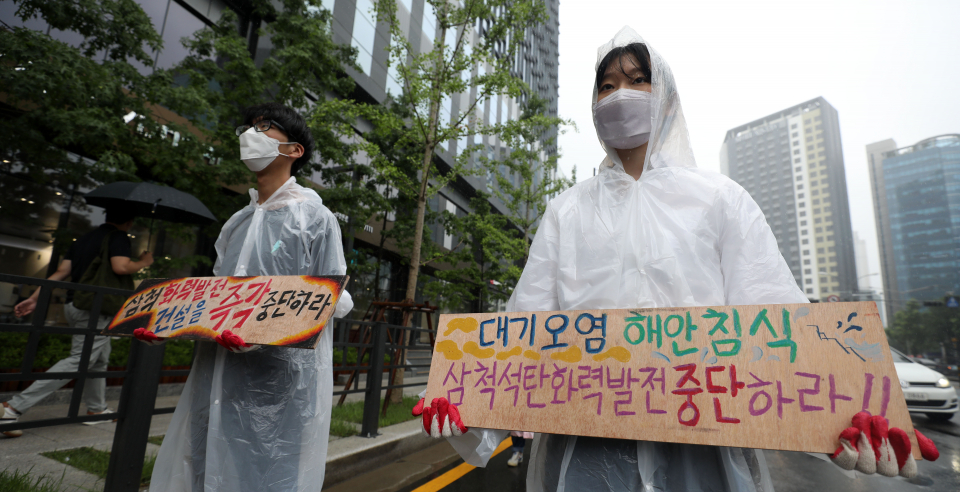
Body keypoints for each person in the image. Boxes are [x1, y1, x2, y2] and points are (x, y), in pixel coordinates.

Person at [413, 27, 939, 491]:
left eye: (637, 79)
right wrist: (469, 404)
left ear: (665, 97)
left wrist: (845, 414)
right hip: (583, 454)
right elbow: (525, 329)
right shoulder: (566, 212)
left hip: (708, 454)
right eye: (606, 85)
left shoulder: (720, 200)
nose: (619, 94)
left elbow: (779, 323)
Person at [140, 102, 354, 492]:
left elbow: (333, 299)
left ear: (294, 150)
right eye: (248, 127)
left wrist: (264, 330)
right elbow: (218, 297)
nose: (251, 135)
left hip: (278, 383)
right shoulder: (235, 223)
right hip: (216, 375)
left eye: (265, 126)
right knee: (206, 467)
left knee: (268, 472)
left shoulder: (314, 218)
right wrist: (169, 322)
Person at [1, 210, 153, 438]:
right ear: (129, 222)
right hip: (95, 307)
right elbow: (121, 267)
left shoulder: (84, 239)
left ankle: (96, 409)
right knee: (81, 359)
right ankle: (12, 408)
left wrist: (34, 298)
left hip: (74, 305)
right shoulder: (119, 237)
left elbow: (61, 272)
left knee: (98, 360)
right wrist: (143, 262)